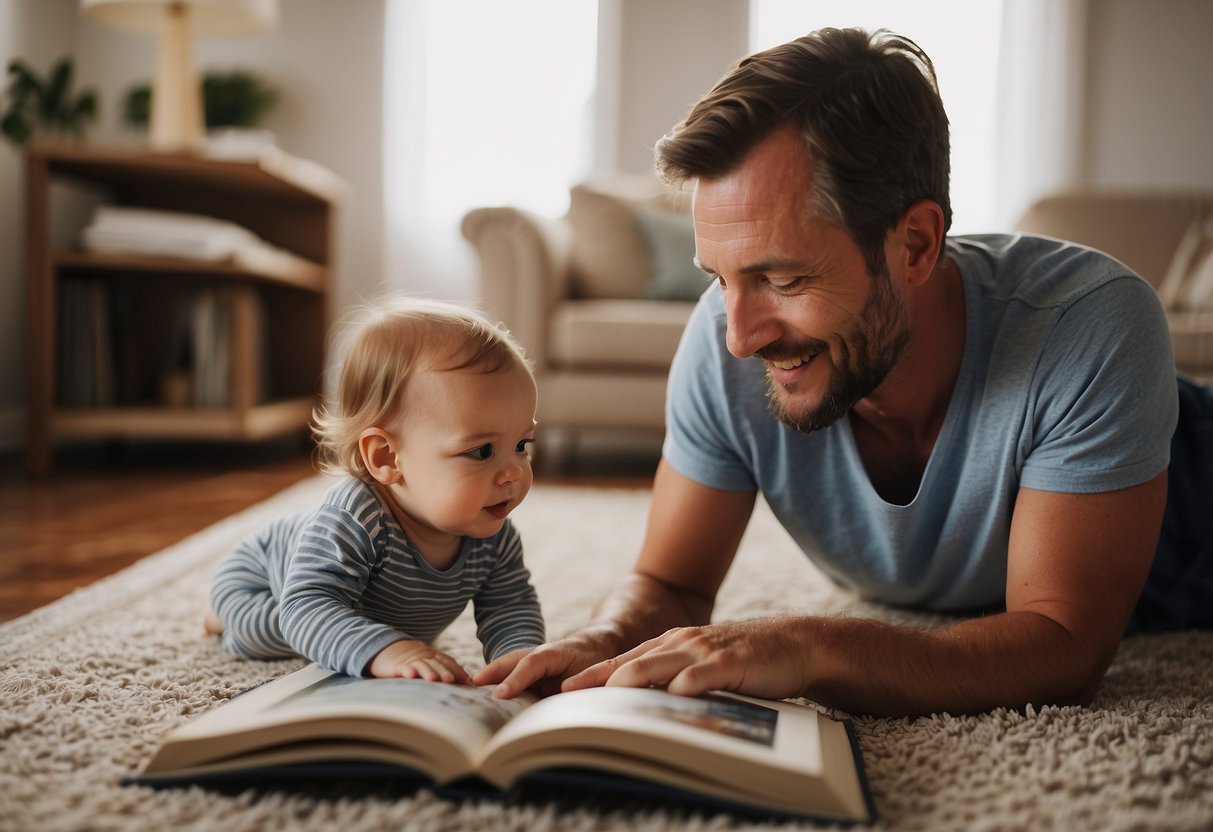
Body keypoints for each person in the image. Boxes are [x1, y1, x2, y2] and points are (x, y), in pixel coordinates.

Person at [480, 27, 1213, 716]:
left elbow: (1062, 645)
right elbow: (670, 583)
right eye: (721, 279)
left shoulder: (1087, 325)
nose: (738, 338)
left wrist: (806, 644)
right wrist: (605, 642)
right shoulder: (724, 333)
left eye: (784, 279)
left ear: (916, 244)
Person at [206, 297, 546, 682]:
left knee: (360, 635)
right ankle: (221, 619)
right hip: (264, 578)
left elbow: (509, 605)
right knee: (277, 633)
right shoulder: (357, 518)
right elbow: (307, 607)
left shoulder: (492, 535)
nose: (512, 473)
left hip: (348, 604)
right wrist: (387, 649)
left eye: (522, 445)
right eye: (481, 451)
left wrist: (519, 656)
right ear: (386, 458)